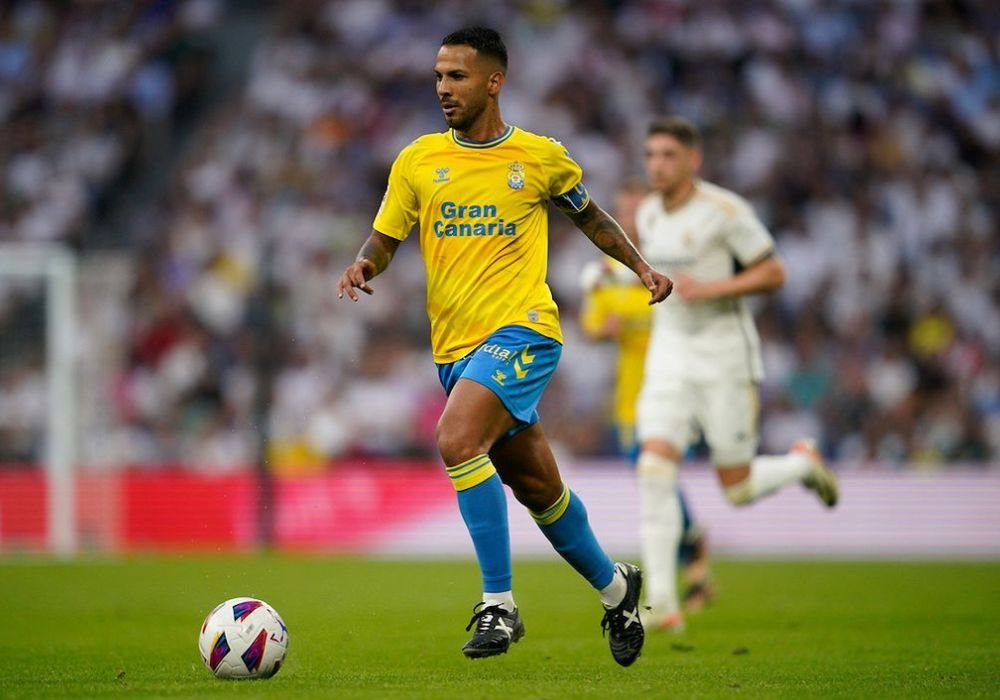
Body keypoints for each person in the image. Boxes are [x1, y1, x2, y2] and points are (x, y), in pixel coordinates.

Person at [337, 27, 673, 666]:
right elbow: (385, 237)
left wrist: (642, 268)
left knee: (457, 440)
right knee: (537, 487)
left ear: (495, 81)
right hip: (454, 352)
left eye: (457, 77)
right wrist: (363, 265)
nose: (443, 89)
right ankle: (617, 588)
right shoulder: (417, 161)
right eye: (438, 76)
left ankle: (500, 604)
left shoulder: (539, 157)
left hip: (525, 330)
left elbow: (592, 218)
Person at [633, 116, 839, 629]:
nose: (657, 165)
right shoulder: (647, 216)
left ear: (693, 160)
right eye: (651, 155)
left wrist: (712, 289)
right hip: (670, 354)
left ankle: (801, 463)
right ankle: (661, 600)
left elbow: (774, 270)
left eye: (668, 155)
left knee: (738, 488)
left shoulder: (725, 211)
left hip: (725, 356)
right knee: (654, 467)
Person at [578, 181, 714, 630]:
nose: (631, 219)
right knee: (653, 477)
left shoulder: (671, 263)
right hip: (630, 398)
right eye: (624, 212)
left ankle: (673, 583)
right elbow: (591, 324)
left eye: (638, 211)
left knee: (656, 475)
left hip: (674, 389)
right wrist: (606, 329)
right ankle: (693, 553)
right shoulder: (606, 271)